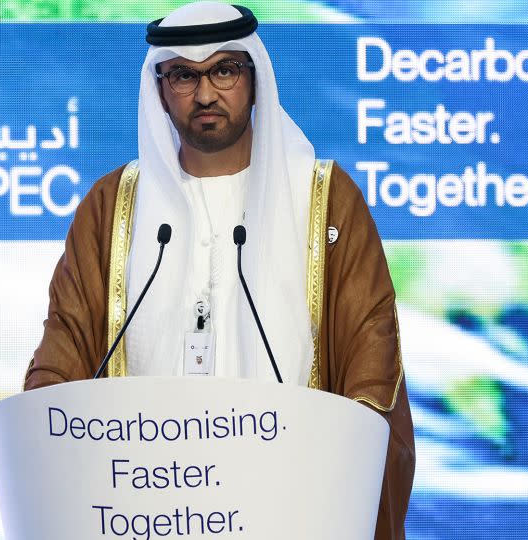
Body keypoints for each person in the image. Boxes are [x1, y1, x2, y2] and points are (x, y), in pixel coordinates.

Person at [24, 2, 415, 537]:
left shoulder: (323, 200)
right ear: (161, 88)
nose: (205, 94)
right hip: (149, 509)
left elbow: (370, 361)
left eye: (224, 70)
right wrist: (43, 426)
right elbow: (64, 346)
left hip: (288, 507)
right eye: (184, 75)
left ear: (254, 78)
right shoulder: (114, 206)